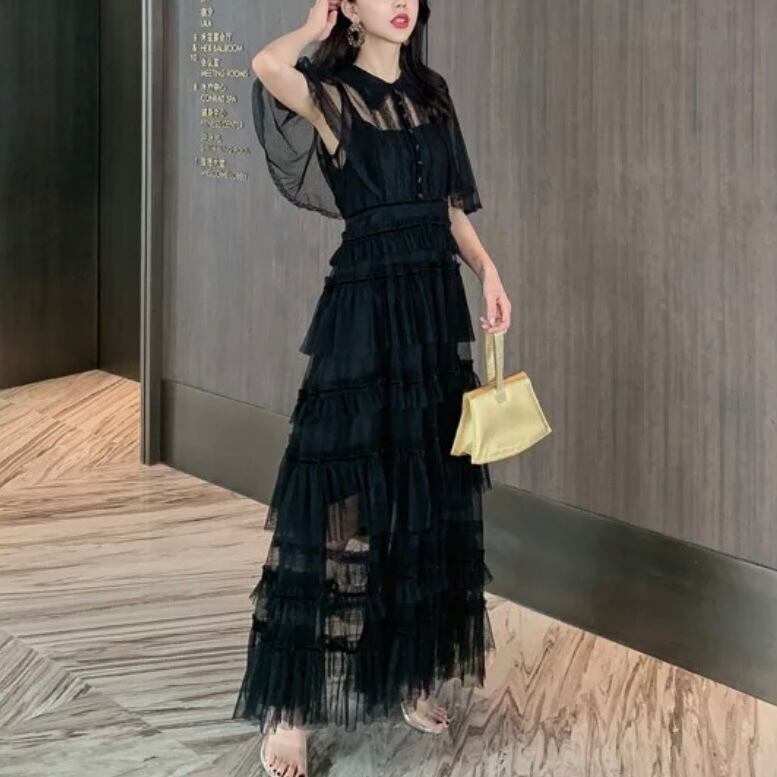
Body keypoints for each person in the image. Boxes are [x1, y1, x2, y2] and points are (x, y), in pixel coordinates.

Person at [232, 1, 512, 775]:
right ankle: (290, 707)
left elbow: (448, 207)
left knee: (423, 490)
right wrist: (312, 28)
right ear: (348, 6)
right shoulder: (330, 93)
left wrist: (488, 271)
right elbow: (266, 66)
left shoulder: (432, 93)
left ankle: (404, 670)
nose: (400, 2)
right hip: (364, 306)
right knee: (335, 503)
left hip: (430, 304)